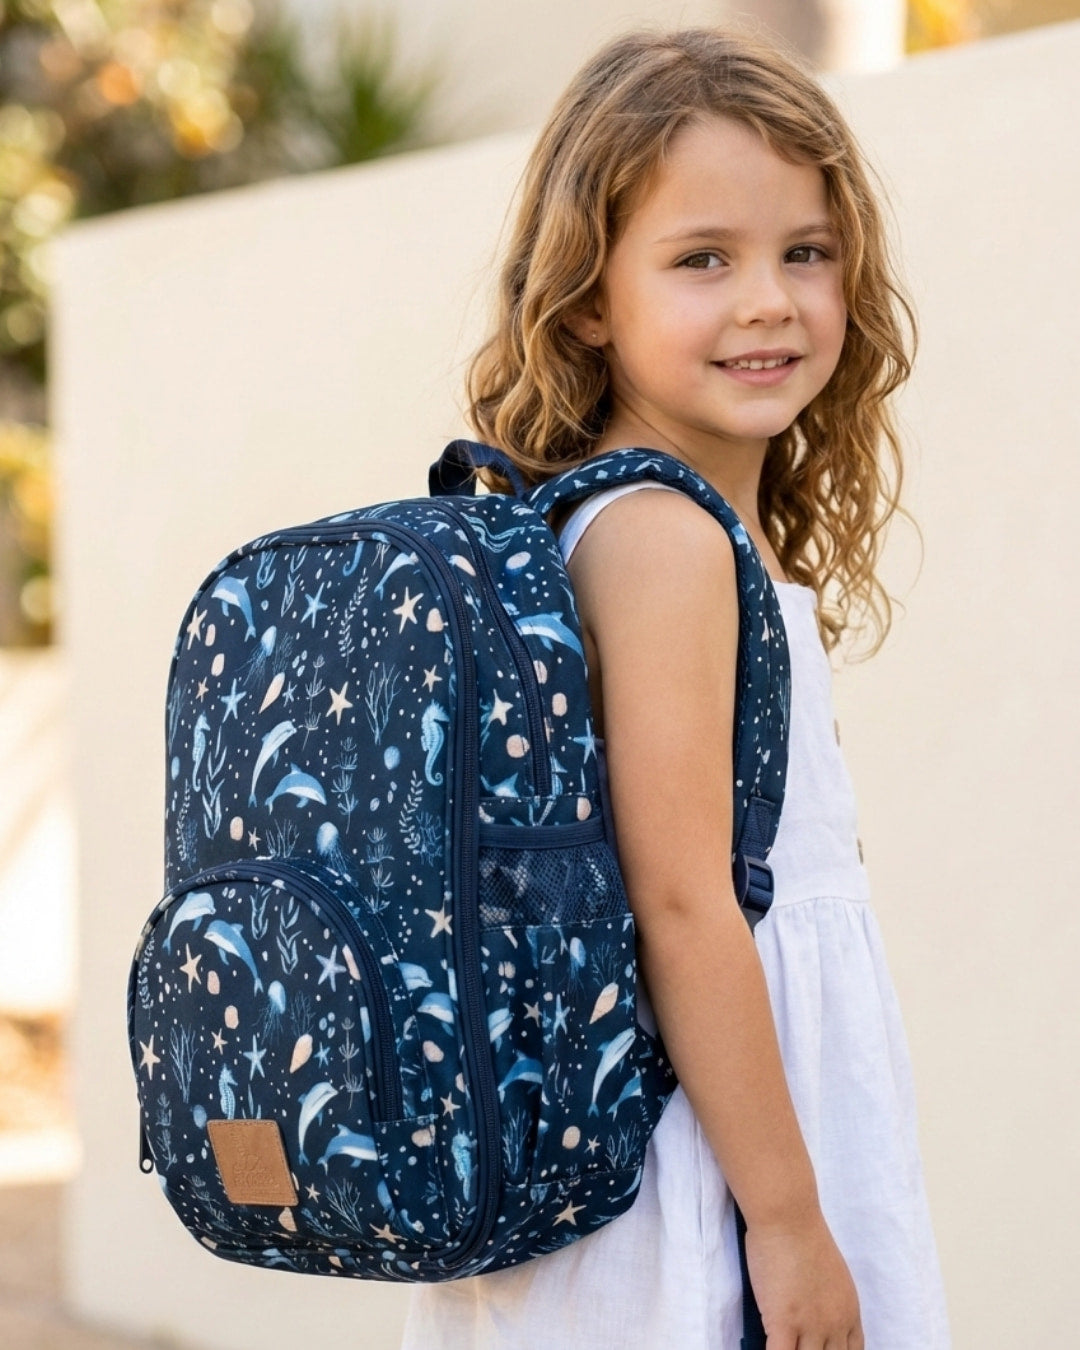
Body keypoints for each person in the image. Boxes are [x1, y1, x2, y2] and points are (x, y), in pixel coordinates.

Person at [401, 25, 951, 1350]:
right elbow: (682, 898)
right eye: (703, 258)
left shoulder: (676, 525)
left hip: (723, 1133)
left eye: (803, 252)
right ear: (589, 295)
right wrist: (789, 1215)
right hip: (694, 1179)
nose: (767, 298)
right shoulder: (660, 537)